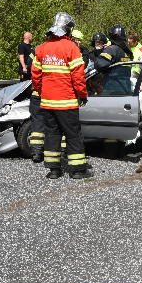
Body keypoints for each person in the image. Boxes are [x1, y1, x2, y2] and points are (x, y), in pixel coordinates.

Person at [31, 12, 90, 179]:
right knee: (73, 135)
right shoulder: (71, 47)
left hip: (48, 102)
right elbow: (78, 77)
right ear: (67, 29)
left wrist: (42, 91)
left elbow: (35, 75)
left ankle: (54, 170)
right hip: (67, 102)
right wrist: (82, 95)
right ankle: (77, 170)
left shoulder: (41, 48)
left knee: (52, 135)